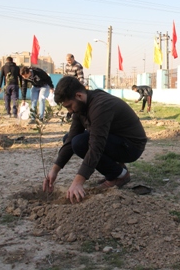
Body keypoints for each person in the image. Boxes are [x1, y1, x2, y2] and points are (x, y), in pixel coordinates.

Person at [43, 76, 147, 204]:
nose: (70, 111)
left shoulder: (100, 105)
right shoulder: (81, 106)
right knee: (71, 139)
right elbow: (70, 139)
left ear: (79, 95)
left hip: (131, 147)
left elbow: (96, 145)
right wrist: (54, 170)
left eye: (69, 106)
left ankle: (119, 175)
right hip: (116, 141)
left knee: (80, 142)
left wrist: (78, 182)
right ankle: (117, 168)